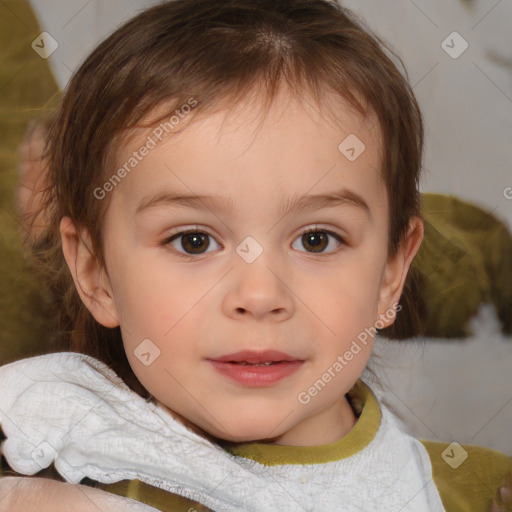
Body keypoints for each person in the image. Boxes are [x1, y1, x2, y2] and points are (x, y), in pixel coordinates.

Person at [0, 0, 511, 510]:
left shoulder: (475, 493)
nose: (260, 295)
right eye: (193, 241)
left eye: (317, 239)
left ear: (390, 275)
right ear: (96, 274)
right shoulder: (46, 465)